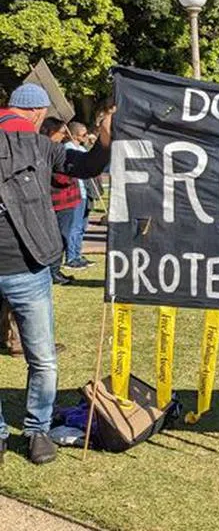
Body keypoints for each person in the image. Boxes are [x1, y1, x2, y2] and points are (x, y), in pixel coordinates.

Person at [0, 83, 113, 465]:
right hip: (28, 266)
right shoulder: (38, 143)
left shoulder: (39, 144)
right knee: (42, 357)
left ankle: (18, 432)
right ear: (36, 113)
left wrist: (103, 143)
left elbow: (82, 167)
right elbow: (87, 167)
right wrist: (105, 142)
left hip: (28, 264)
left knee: (43, 356)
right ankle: (36, 432)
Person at [39, 119, 81, 286]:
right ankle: (53, 271)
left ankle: (55, 270)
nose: (64, 136)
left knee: (61, 236)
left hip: (66, 201)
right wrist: (74, 171)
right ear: (52, 132)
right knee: (59, 237)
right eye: (62, 133)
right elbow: (60, 178)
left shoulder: (53, 148)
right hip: (59, 202)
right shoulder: (49, 150)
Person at [63, 121, 93, 269]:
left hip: (86, 191)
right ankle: (71, 257)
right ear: (74, 135)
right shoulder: (68, 149)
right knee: (74, 227)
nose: (86, 136)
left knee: (82, 226)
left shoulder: (81, 148)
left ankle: (78, 253)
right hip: (75, 192)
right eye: (84, 134)